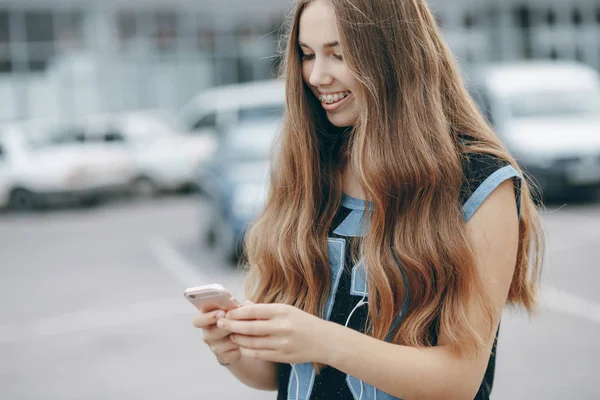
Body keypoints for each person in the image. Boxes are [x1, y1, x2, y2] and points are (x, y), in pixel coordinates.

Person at [193, 0, 545, 399]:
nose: (317, 75)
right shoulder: (310, 168)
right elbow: (284, 375)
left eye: (338, 54)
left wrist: (321, 339)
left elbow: (459, 380)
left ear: (394, 54)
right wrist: (236, 351)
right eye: (307, 55)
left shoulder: (481, 181)